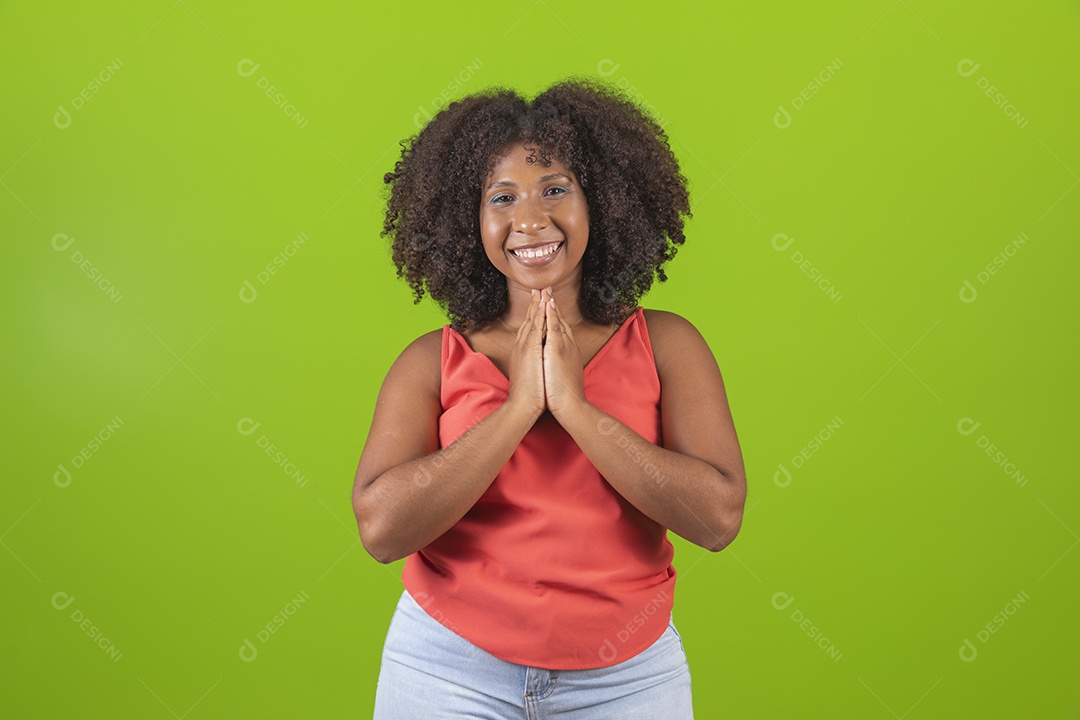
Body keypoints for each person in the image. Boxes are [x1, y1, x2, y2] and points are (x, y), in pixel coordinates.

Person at [352, 77, 746, 719]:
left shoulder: (667, 344)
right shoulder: (432, 360)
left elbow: (717, 519)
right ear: (468, 218)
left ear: (604, 203)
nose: (529, 220)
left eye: (555, 189)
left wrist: (576, 409)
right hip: (447, 669)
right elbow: (381, 529)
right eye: (501, 197)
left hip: (628, 677)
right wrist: (517, 410)